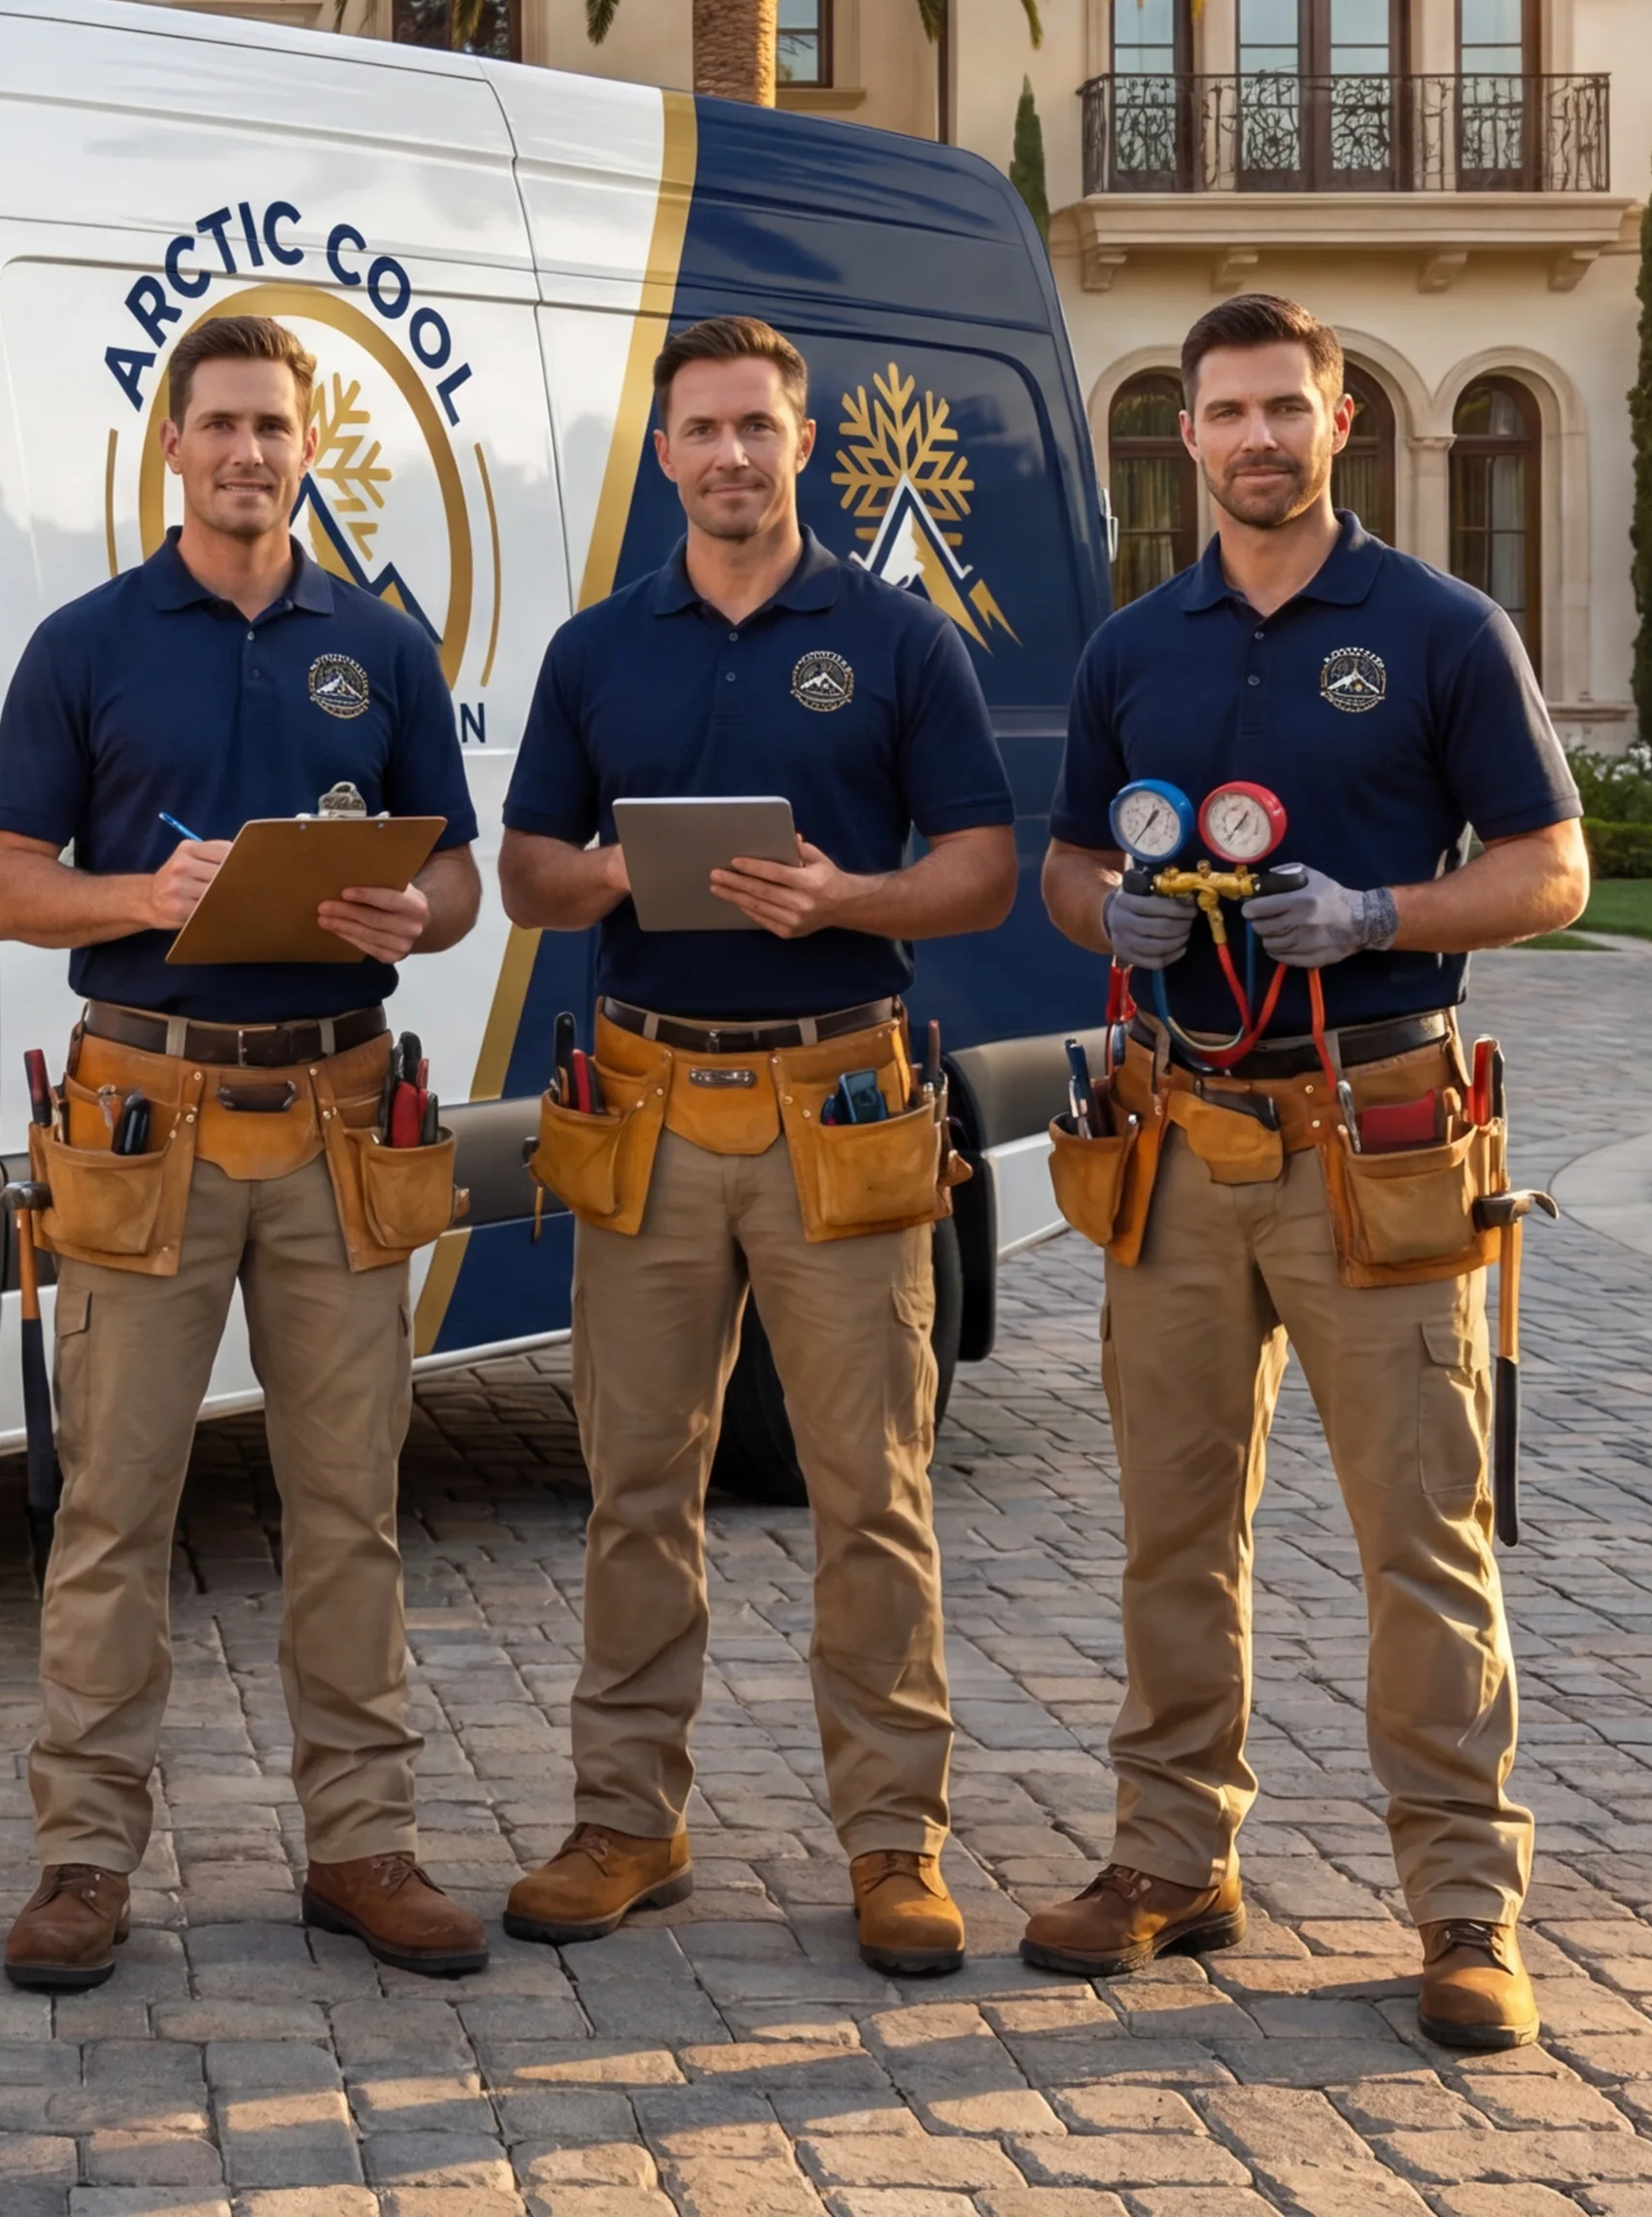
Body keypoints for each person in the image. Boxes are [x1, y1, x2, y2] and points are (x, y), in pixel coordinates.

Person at [1030, 292, 1586, 2057]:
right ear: (1183, 437)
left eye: (1287, 407)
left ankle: (1464, 1910)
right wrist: (1097, 915)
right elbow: (1060, 869)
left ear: (1339, 424)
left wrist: (1381, 917)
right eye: (1225, 413)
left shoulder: (1438, 629)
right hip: (1180, 1133)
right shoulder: (1136, 648)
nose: (1257, 438)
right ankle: (1173, 1862)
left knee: (1421, 1538)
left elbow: (1555, 868)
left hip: (1378, 1136)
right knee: (1172, 1533)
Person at [490, 314, 1017, 1972]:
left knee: (873, 1493)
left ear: (807, 443)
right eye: (701, 431)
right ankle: (626, 1823)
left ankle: (892, 1848)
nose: (730, 457)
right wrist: (633, 877)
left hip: (841, 1104)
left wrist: (848, 898)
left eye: (757, 429)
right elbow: (524, 873)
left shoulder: (895, 639)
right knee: (636, 1489)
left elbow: (986, 868)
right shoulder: (597, 651)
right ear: (663, 456)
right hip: (645, 1103)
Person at [0, 311, 489, 1992]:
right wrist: (143, 896)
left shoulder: (386, 649)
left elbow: (462, 883)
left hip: (340, 1109)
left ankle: (363, 1847)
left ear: (307, 445)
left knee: (351, 1506)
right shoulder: (88, 643)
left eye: (277, 426)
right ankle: (81, 1863)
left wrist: (416, 908)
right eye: (223, 426)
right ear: (171, 447)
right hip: (148, 1116)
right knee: (116, 1507)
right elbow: (2, 882)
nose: (251, 453)